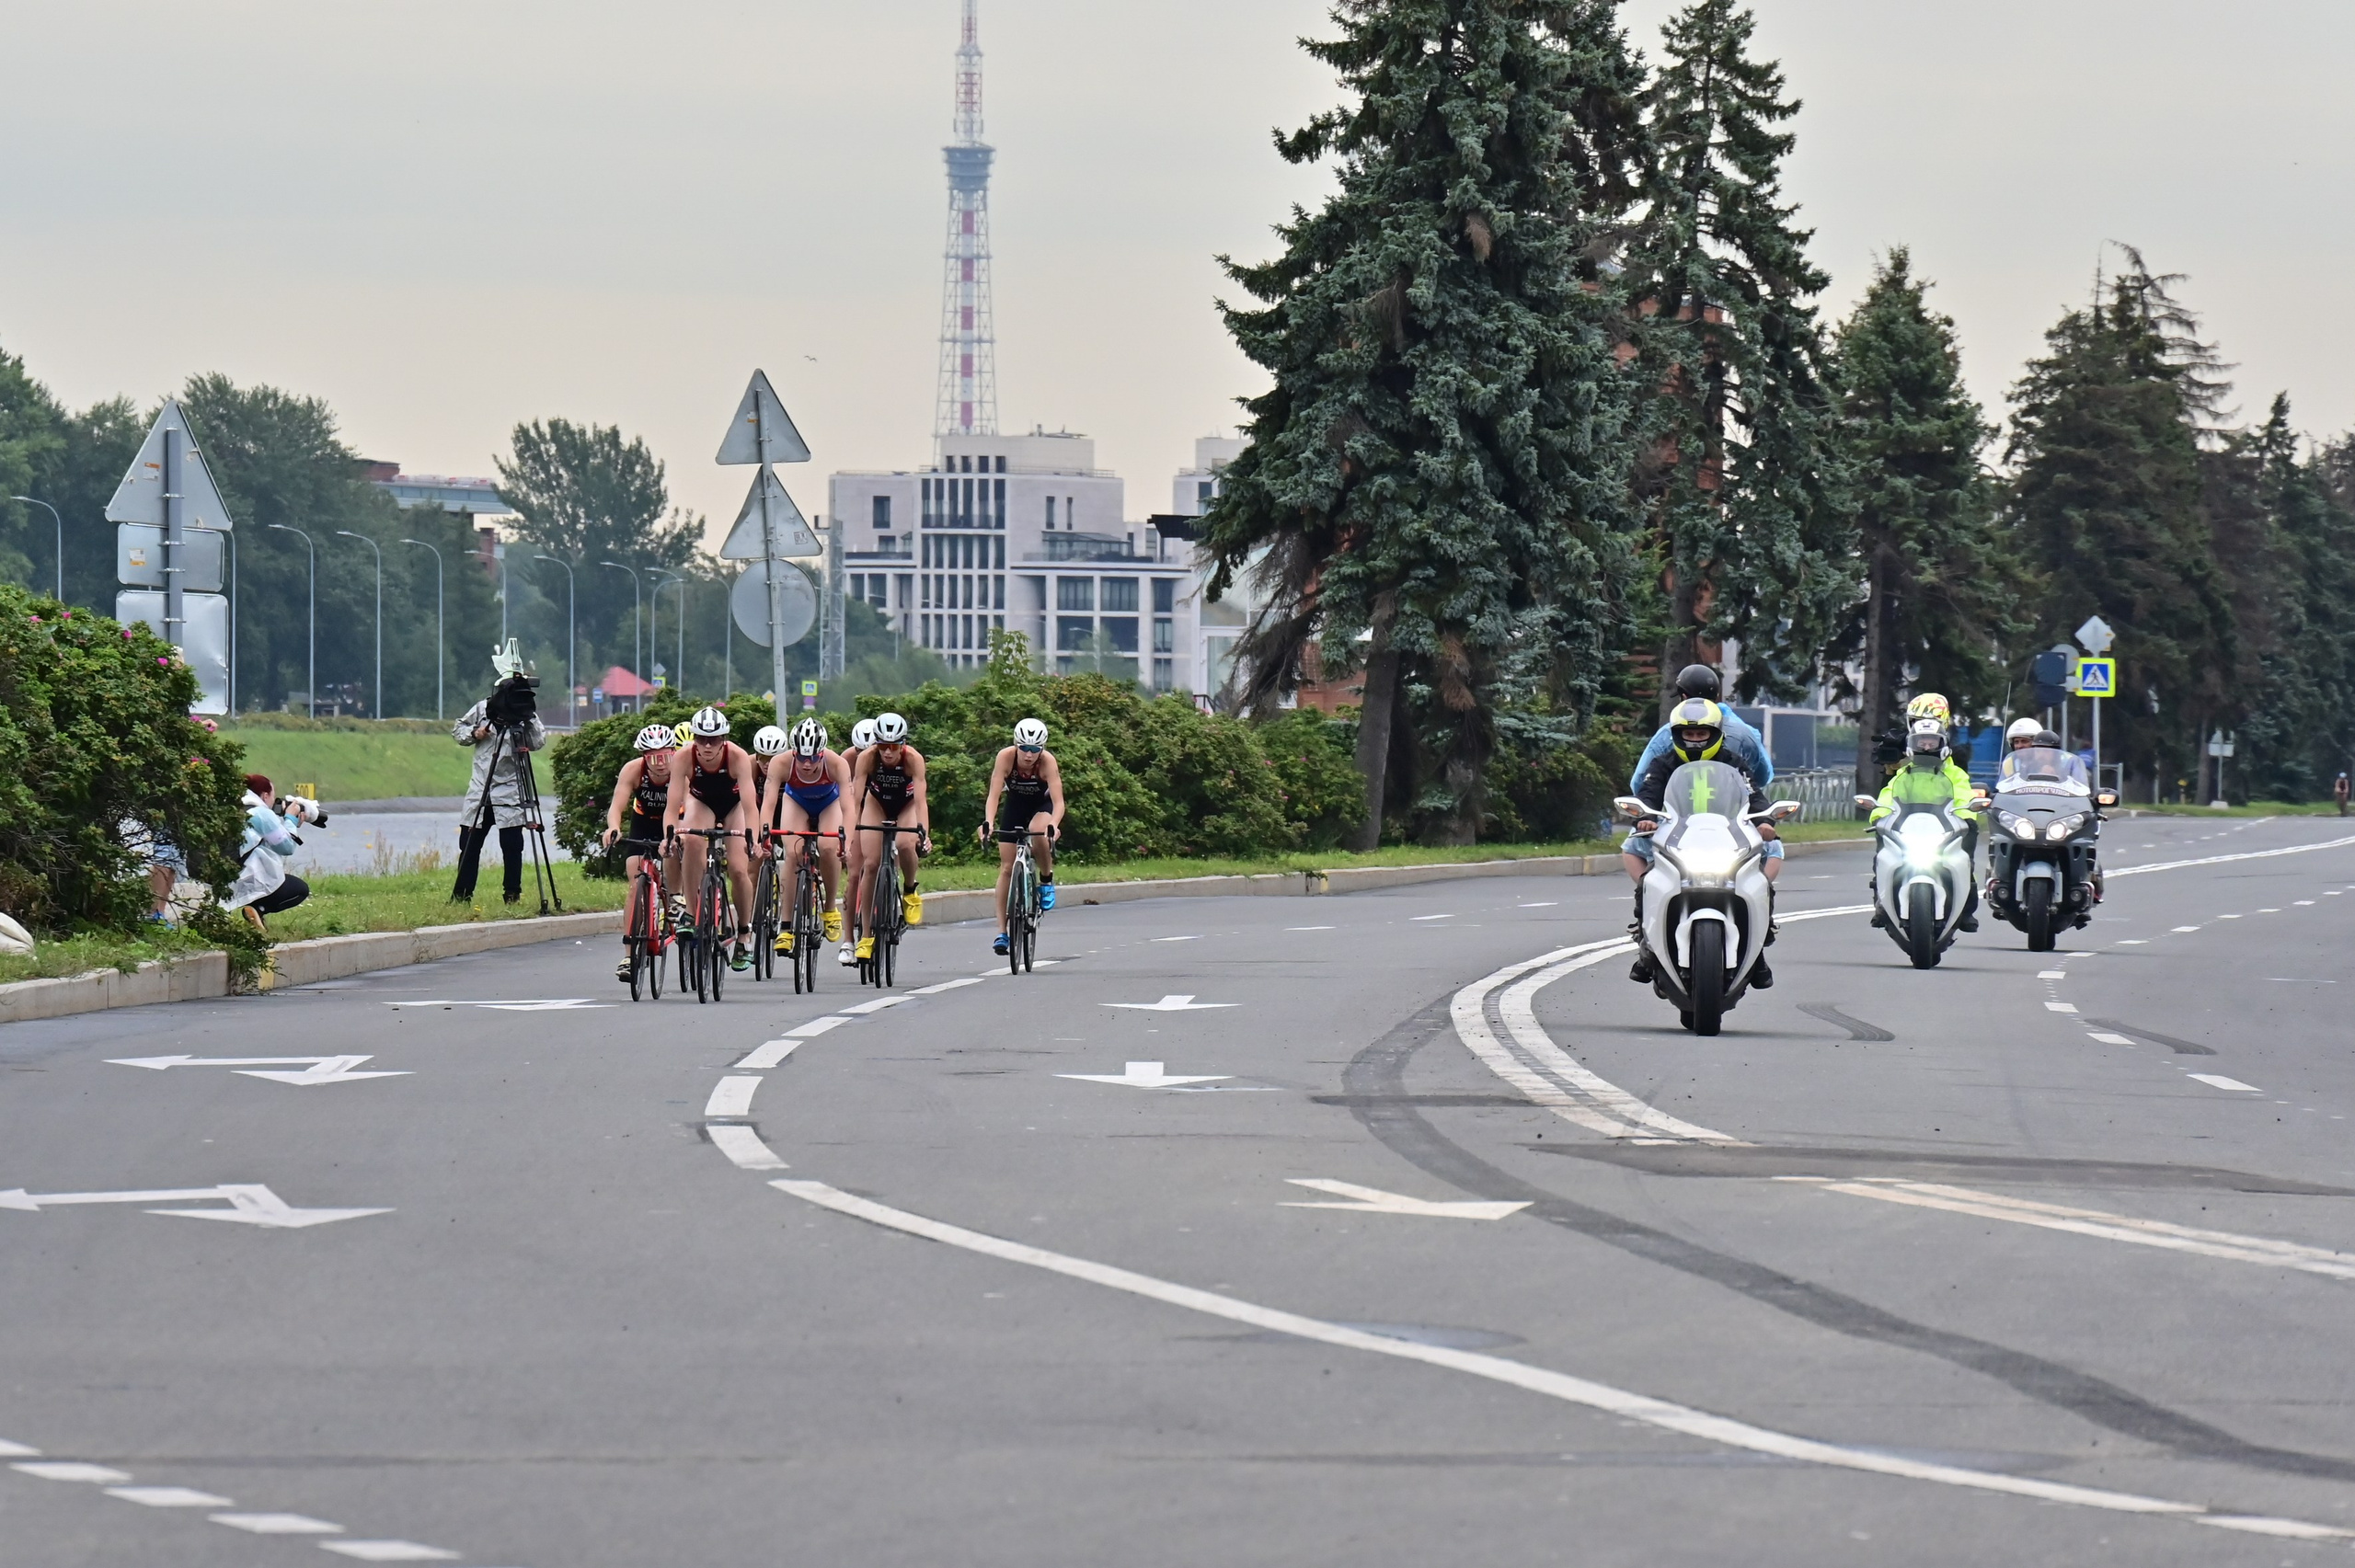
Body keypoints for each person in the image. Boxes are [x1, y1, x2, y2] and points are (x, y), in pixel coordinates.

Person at [1624, 698, 1780, 989]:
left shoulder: (1733, 762)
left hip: (1726, 834)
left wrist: (1765, 821)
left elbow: (1753, 794)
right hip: (1677, 833)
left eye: (1701, 734)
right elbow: (1649, 793)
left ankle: (1758, 946)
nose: (1695, 740)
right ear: (1678, 736)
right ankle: (1647, 942)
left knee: (1761, 874)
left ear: (1715, 734)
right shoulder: (1664, 763)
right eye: (1689, 735)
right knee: (1640, 865)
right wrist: (1645, 816)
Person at [452, 642, 548, 904]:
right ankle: (461, 895)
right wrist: (476, 733)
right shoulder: (483, 709)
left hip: (510, 787)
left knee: (512, 846)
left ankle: (512, 894)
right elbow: (457, 731)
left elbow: (539, 742)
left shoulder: (525, 712)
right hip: (481, 786)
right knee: (469, 845)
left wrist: (527, 716)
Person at [667, 705, 760, 972]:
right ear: (694, 739)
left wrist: (751, 840)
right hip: (702, 803)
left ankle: (744, 933)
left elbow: (750, 806)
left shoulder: (738, 757)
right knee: (692, 841)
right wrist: (670, 836)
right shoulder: (684, 757)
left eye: (714, 739)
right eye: (701, 739)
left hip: (733, 807)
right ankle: (693, 912)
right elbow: (673, 806)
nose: (707, 746)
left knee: (739, 868)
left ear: (724, 740)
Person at [1870, 718, 1984, 931]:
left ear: (1943, 744)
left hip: (1946, 827)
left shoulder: (1955, 773)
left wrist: (1967, 815)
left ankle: (1966, 911)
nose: (1926, 747)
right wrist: (1879, 814)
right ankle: (1882, 903)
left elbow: (1963, 795)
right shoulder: (1904, 773)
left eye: (1932, 742)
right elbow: (1888, 795)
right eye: (1921, 742)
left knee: (1964, 860)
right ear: (1911, 745)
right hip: (1910, 827)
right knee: (1883, 856)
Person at [601, 724, 684, 983]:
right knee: (636, 882)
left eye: (666, 756)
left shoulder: (682, 770)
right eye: (654, 758)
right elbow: (617, 806)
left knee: (672, 853)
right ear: (644, 757)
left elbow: (690, 805)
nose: (661, 764)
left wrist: (677, 835)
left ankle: (675, 899)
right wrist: (613, 828)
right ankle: (628, 954)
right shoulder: (633, 770)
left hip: (673, 822)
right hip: (644, 822)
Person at [760, 717, 849, 955]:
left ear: (822, 754)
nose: (807, 764)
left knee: (829, 847)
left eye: (813, 758)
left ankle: (830, 908)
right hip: (796, 801)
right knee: (793, 852)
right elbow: (768, 805)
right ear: (794, 753)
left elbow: (849, 809)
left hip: (829, 803)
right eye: (801, 757)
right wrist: (764, 836)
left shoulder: (836, 763)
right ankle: (786, 927)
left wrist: (846, 840)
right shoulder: (781, 763)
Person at [847, 711, 929, 964]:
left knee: (906, 843)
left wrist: (924, 833)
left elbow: (921, 801)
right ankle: (867, 935)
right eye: (883, 745)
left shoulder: (913, 759)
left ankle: (909, 889)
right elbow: (856, 800)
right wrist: (849, 832)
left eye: (894, 746)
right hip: (877, 803)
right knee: (870, 864)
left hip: (905, 805)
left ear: (903, 744)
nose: (888, 752)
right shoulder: (867, 759)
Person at [981, 717, 1066, 956]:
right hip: (1016, 806)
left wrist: (1054, 824)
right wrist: (988, 822)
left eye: (1035, 749)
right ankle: (1002, 932)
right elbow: (993, 796)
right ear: (1016, 745)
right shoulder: (1005, 757)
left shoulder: (1047, 762)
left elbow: (1059, 803)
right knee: (1007, 868)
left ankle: (1046, 879)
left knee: (1038, 831)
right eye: (1024, 748)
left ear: (1042, 749)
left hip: (1042, 806)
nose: (1029, 755)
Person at [1628, 665, 1771, 795]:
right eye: (1690, 734)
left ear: (1683, 697)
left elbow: (1639, 783)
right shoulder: (1746, 732)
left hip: (1680, 819)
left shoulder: (1668, 734)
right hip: (1731, 820)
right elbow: (1763, 778)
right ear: (1716, 696)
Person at [223, 774, 313, 931]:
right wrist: (290, 819)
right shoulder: (260, 814)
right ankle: (259, 908)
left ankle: (239, 914)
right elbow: (287, 847)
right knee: (299, 889)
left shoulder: (228, 808)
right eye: (273, 796)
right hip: (243, 879)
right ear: (265, 795)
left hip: (213, 878)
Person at [835, 716, 882, 967]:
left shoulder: (884, 754)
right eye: (859, 751)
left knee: (882, 859)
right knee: (854, 874)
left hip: (881, 806)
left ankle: (886, 895)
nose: (865, 755)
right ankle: (848, 940)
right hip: (856, 810)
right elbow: (845, 802)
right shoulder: (847, 759)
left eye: (869, 751)